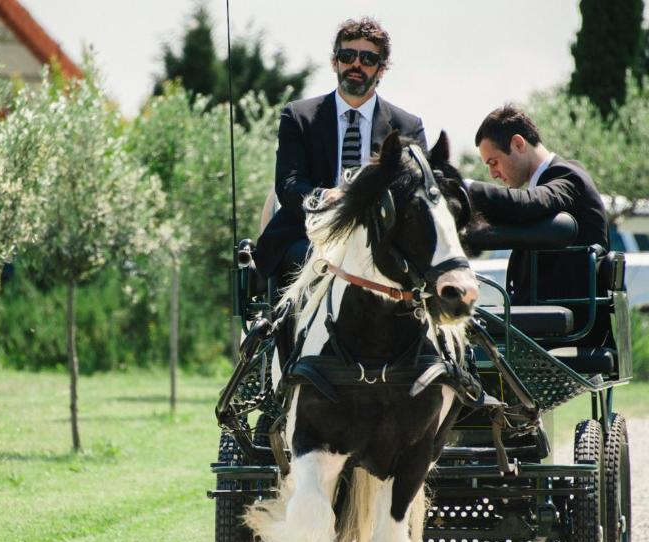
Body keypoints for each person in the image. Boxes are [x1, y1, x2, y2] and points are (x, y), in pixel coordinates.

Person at [254, 17, 427, 283]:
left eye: (368, 59)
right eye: (348, 56)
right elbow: (288, 184)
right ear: (335, 62)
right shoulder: (299, 116)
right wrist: (327, 198)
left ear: (381, 69)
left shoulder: (407, 126)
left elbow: (415, 192)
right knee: (312, 260)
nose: (356, 64)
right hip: (309, 235)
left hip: (383, 242)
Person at [468, 105, 611, 344]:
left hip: (568, 328)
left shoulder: (568, 177)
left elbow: (527, 205)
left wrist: (465, 187)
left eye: (494, 162)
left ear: (518, 144)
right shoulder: (561, 176)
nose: (493, 174)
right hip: (554, 317)